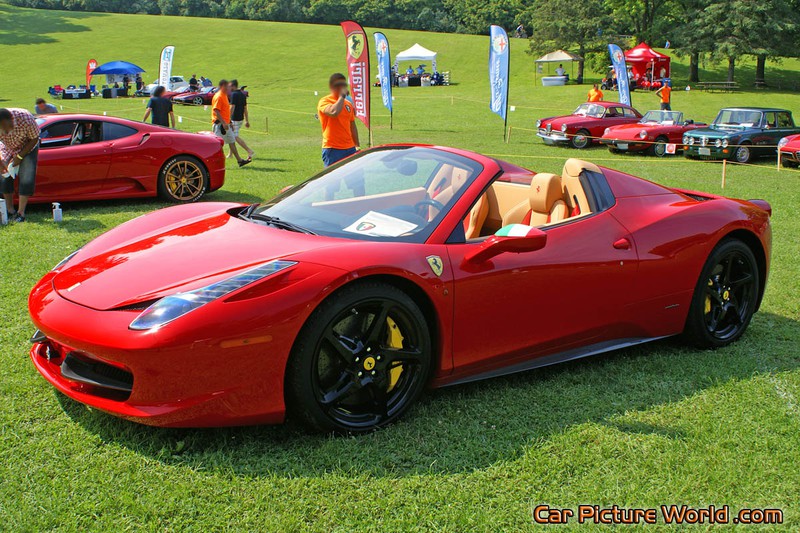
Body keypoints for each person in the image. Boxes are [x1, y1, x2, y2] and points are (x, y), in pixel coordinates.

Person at [317, 73, 361, 199]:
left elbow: (352, 125)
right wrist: (341, 97)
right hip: (332, 149)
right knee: (331, 185)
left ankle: (360, 206)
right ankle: (327, 207)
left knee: (357, 183)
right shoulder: (324, 101)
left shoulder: (348, 105)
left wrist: (357, 145)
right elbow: (333, 112)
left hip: (350, 149)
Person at [0, 108, 41, 223]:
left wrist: (19, 157)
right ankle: (9, 210)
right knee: (4, 176)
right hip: (7, 147)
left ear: (12, 120)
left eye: (6, 128)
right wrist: (1, 163)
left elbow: (34, 138)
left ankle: (21, 212)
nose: (5, 132)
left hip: (28, 147)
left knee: (26, 175)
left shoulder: (26, 118)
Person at [212, 80, 250, 167]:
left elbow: (225, 112)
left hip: (226, 124)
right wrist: (224, 123)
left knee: (232, 141)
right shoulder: (219, 96)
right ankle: (214, 162)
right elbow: (216, 111)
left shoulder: (225, 96)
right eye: (227, 86)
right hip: (219, 125)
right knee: (217, 145)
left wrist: (229, 123)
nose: (229, 88)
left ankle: (240, 161)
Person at [229, 79, 254, 160]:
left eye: (230, 86)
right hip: (240, 119)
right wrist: (247, 120)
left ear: (233, 86)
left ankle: (249, 150)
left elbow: (232, 107)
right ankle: (230, 154)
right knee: (231, 136)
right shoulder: (242, 95)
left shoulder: (233, 95)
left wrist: (228, 118)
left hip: (234, 119)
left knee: (234, 136)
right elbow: (245, 108)